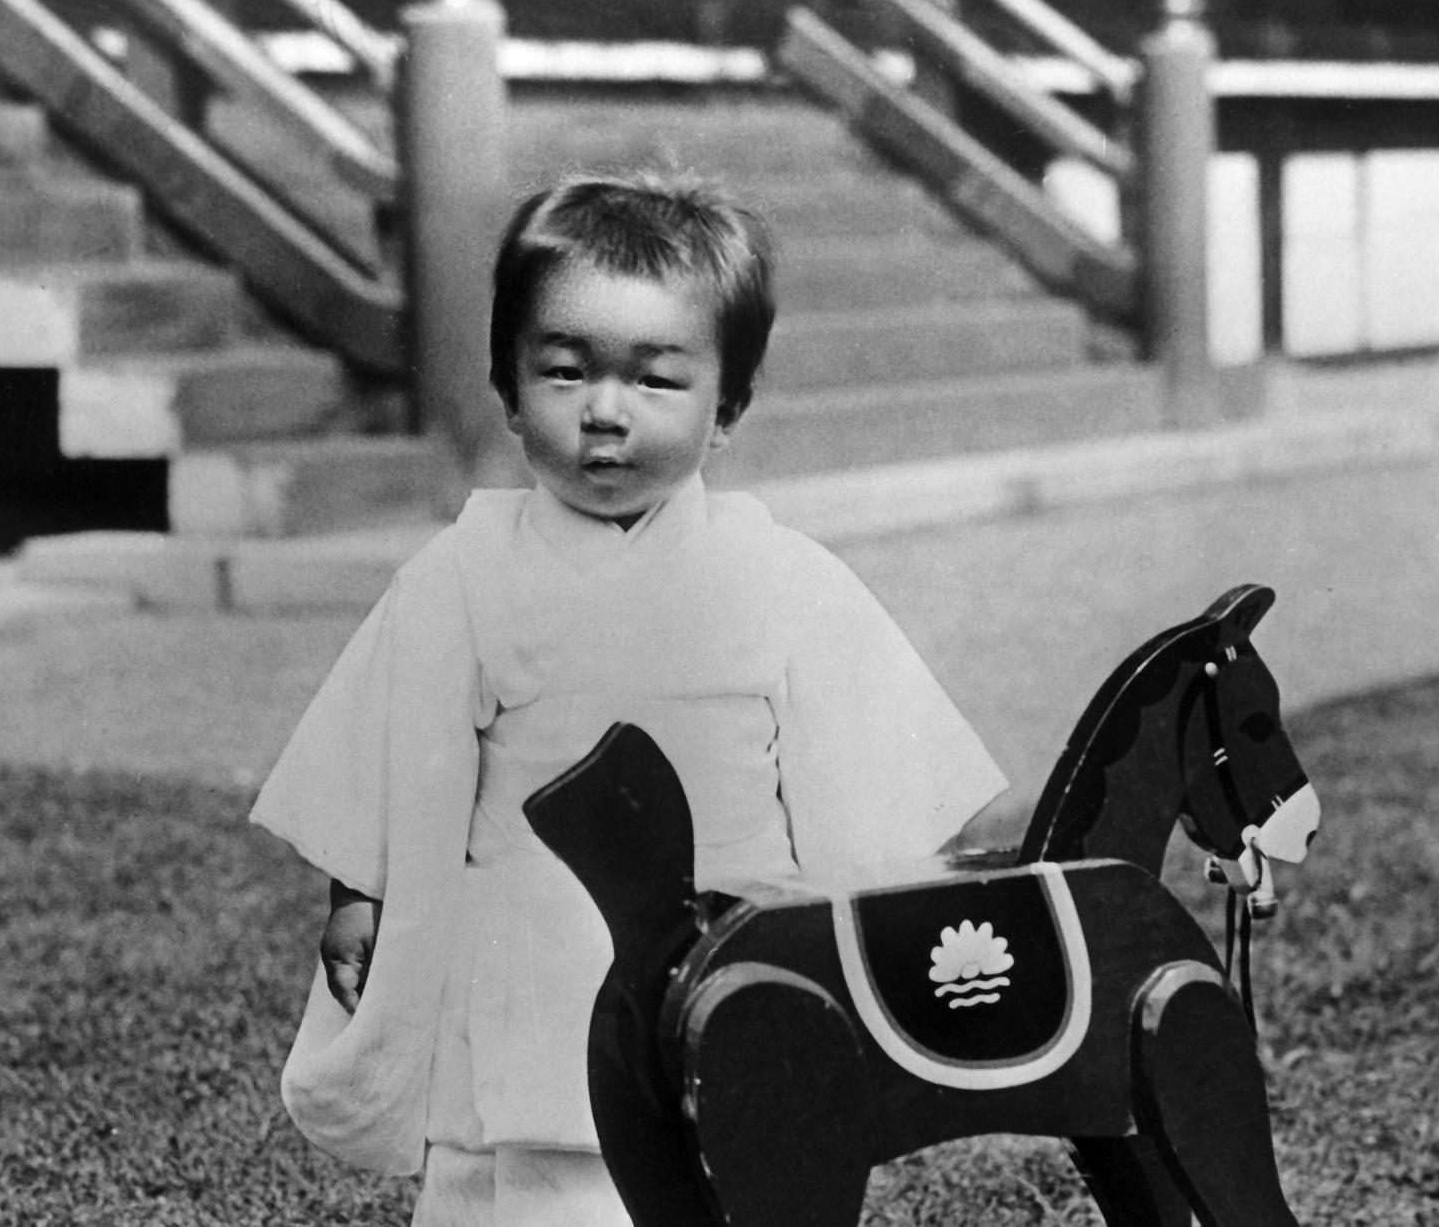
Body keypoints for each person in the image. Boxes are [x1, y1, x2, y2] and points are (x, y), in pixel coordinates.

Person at [252, 173, 1009, 1226]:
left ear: (727, 406)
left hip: (728, 955)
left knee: (735, 1169)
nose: (604, 413)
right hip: (530, 955)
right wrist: (358, 894)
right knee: (528, 1188)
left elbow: (874, 785)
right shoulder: (464, 573)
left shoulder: (780, 575)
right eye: (564, 372)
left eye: (655, 380)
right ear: (509, 388)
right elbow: (390, 748)